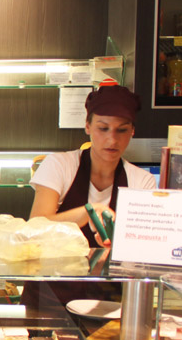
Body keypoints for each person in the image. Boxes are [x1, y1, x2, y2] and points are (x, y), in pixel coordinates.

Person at [29, 85, 157, 248]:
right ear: (88, 126)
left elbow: (144, 243)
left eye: (122, 130)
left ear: (132, 130)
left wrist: (118, 243)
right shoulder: (59, 165)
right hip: (57, 263)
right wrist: (86, 213)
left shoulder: (142, 181)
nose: (112, 140)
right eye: (103, 128)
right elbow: (35, 227)